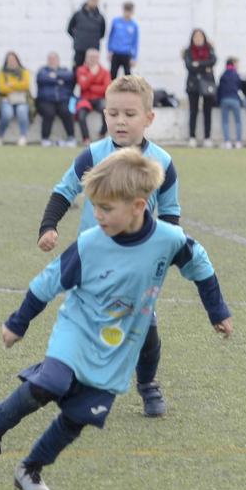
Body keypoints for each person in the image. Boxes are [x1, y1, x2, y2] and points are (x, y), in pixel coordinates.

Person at [0, 148, 231, 490]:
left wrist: (217, 312)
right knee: (51, 382)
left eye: (106, 209)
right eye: (94, 206)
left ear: (138, 207)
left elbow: (200, 266)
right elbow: (46, 283)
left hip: (122, 343)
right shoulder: (91, 244)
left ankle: (30, 468)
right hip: (77, 328)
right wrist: (18, 323)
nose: (97, 215)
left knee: (81, 414)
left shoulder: (169, 240)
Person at [37, 74, 182, 417]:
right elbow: (64, 190)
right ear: (104, 115)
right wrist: (48, 226)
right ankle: (72, 381)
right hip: (93, 259)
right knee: (83, 324)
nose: (120, 121)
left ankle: (147, 385)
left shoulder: (162, 163)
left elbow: (171, 212)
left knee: (146, 330)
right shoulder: (93, 155)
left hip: (139, 264)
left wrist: (168, 248)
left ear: (149, 118)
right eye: (113, 113)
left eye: (130, 115)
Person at [182, 29, 217, 147]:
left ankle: (207, 137)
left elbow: (213, 61)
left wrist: (198, 64)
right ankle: (192, 137)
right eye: (196, 36)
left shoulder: (209, 49)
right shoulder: (188, 51)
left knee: (208, 111)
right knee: (193, 111)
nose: (198, 38)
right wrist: (205, 66)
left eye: (200, 36)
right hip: (193, 85)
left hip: (207, 84)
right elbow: (189, 66)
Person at [35, 51, 77, 146]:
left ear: (58, 60)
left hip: (62, 100)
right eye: (50, 59)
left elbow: (70, 76)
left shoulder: (64, 70)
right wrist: (58, 81)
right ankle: (45, 138)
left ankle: (71, 137)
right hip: (46, 100)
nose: (52, 61)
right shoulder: (43, 70)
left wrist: (55, 75)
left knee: (66, 111)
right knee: (49, 112)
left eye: (54, 59)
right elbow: (42, 77)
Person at [74, 48, 111, 144]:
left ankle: (102, 134)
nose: (93, 59)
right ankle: (86, 138)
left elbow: (107, 88)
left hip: (99, 99)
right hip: (85, 99)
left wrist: (90, 86)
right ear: (86, 58)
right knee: (81, 114)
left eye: (95, 57)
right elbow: (82, 85)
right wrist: (92, 74)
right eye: (91, 57)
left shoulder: (104, 71)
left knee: (106, 110)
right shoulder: (81, 70)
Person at [0, 51, 32, 146]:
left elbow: (26, 86)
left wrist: (11, 85)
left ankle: (23, 137)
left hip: (21, 100)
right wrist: (18, 86)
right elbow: (2, 88)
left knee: (22, 111)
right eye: (9, 60)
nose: (12, 62)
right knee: (7, 113)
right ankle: (0, 136)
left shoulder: (24, 71)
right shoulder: (2, 73)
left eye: (13, 60)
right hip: (7, 100)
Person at [67, 0, 105, 68]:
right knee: (76, 70)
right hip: (80, 49)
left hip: (93, 50)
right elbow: (69, 29)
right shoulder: (77, 14)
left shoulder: (100, 17)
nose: (94, 3)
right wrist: (78, 38)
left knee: (94, 71)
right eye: (92, 0)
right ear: (88, 0)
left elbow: (102, 33)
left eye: (96, 1)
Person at [217, 57, 244, 149]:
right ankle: (238, 141)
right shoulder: (236, 75)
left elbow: (219, 88)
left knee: (225, 121)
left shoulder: (223, 75)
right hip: (235, 99)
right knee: (238, 121)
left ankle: (227, 141)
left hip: (224, 99)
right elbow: (240, 86)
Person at [108, 1, 139, 77]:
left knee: (128, 76)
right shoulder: (116, 21)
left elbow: (135, 42)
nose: (127, 13)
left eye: (129, 11)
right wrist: (109, 50)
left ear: (132, 12)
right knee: (112, 74)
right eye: (126, 11)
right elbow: (111, 37)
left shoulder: (134, 25)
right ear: (123, 10)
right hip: (116, 53)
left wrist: (134, 57)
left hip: (127, 54)